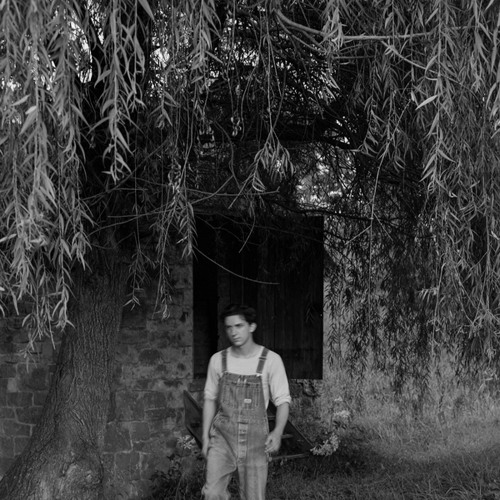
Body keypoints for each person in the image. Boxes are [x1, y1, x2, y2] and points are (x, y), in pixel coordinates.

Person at [202, 303, 291, 500]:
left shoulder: (270, 360)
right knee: (212, 493)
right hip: (223, 438)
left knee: (253, 496)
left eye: (239, 326)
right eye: (229, 327)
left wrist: (277, 432)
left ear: (251, 326)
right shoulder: (218, 360)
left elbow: (283, 401)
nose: (233, 332)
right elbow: (209, 399)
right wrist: (205, 437)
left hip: (256, 440)